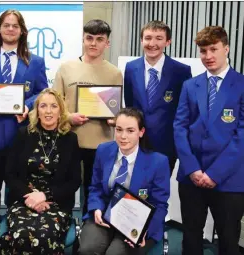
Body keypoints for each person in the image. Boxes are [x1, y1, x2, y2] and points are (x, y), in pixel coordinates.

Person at [174, 26, 244, 255]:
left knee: (228, 238)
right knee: (191, 236)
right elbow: (179, 127)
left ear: (226, 49)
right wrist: (193, 169)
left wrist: (215, 173)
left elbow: (241, 136)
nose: (208, 56)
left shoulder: (241, 84)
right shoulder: (190, 85)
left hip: (229, 178)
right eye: (203, 51)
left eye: (214, 49)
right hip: (191, 176)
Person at [0, 9, 48, 210]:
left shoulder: (36, 62)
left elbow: (42, 92)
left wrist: (27, 105)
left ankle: (12, 234)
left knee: (18, 191)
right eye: (6, 25)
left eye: (15, 25)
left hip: (21, 135)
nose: (11, 29)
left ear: (22, 31)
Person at [0, 88, 81, 254]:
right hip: (24, 201)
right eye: (43, 106)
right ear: (37, 111)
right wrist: (30, 197)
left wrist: (45, 196)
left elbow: (74, 181)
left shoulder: (70, 139)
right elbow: (9, 174)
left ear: (61, 111)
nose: (48, 111)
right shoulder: (23, 135)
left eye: (53, 106)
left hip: (56, 203)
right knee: (22, 234)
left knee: (45, 235)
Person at [53, 19, 122, 215]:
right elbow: (54, 105)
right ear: (83, 40)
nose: (93, 43)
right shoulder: (66, 68)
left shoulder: (115, 73)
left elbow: (116, 111)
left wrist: (113, 119)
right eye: (89, 38)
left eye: (99, 39)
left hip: (101, 143)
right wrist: (68, 117)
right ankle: (61, 226)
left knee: (93, 190)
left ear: (107, 43)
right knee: (63, 188)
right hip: (70, 138)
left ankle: (88, 232)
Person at [79, 107, 170, 255]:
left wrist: (145, 231)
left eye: (130, 130)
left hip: (137, 222)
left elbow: (160, 204)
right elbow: (95, 187)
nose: (123, 136)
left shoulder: (158, 162)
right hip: (105, 214)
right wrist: (96, 208)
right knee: (88, 249)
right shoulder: (103, 150)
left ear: (141, 132)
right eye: (119, 129)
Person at [124, 20, 192, 172]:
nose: (152, 43)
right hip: (136, 144)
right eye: (148, 38)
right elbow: (129, 105)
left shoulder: (181, 71)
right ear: (141, 40)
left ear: (168, 41)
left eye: (159, 38)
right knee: (133, 192)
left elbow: (184, 111)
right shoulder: (130, 68)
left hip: (166, 146)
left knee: (158, 192)